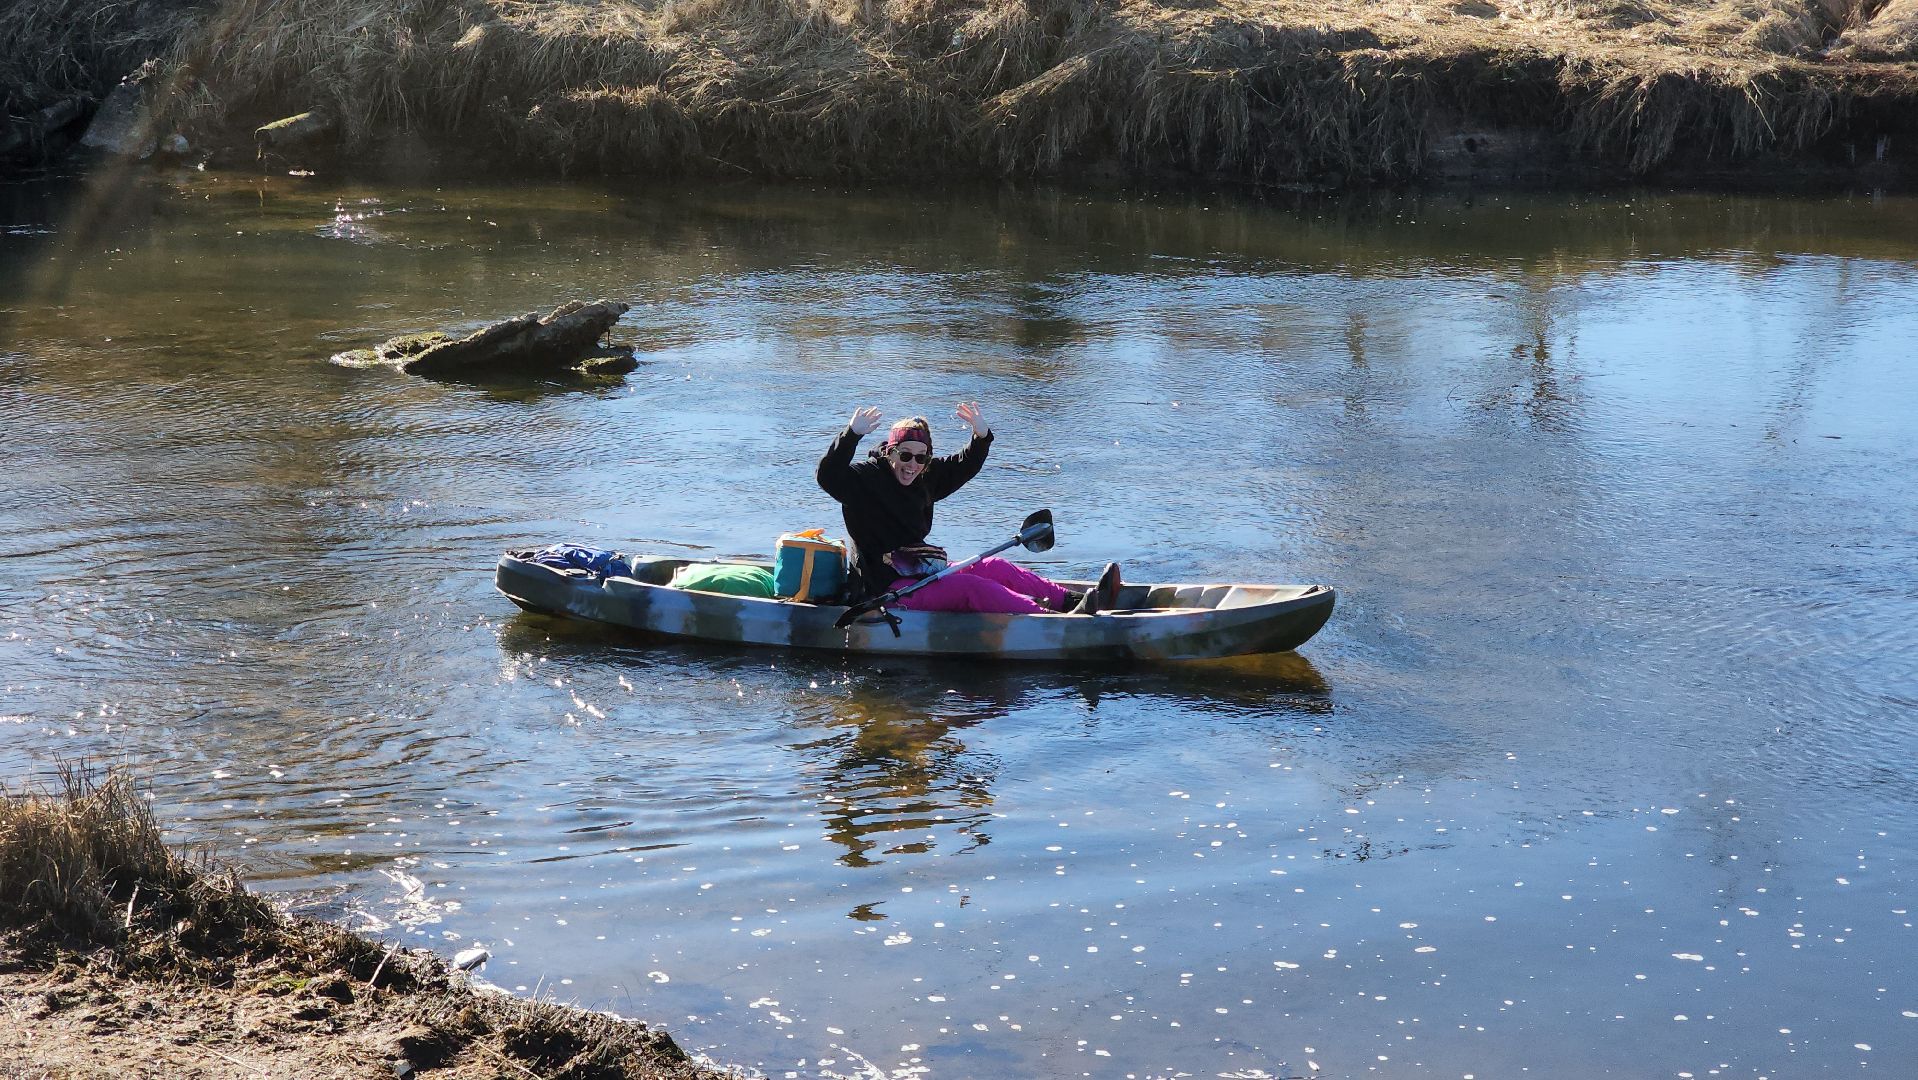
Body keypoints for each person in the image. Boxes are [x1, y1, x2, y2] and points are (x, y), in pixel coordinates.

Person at [816, 402, 1120, 615]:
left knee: (995, 567)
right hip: (886, 589)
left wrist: (981, 436)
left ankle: (1074, 601)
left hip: (922, 573)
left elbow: (964, 464)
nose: (912, 465)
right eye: (905, 455)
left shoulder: (925, 476)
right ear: (890, 452)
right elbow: (828, 476)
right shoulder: (864, 480)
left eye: (921, 457)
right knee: (972, 588)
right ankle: (1054, 620)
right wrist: (851, 434)